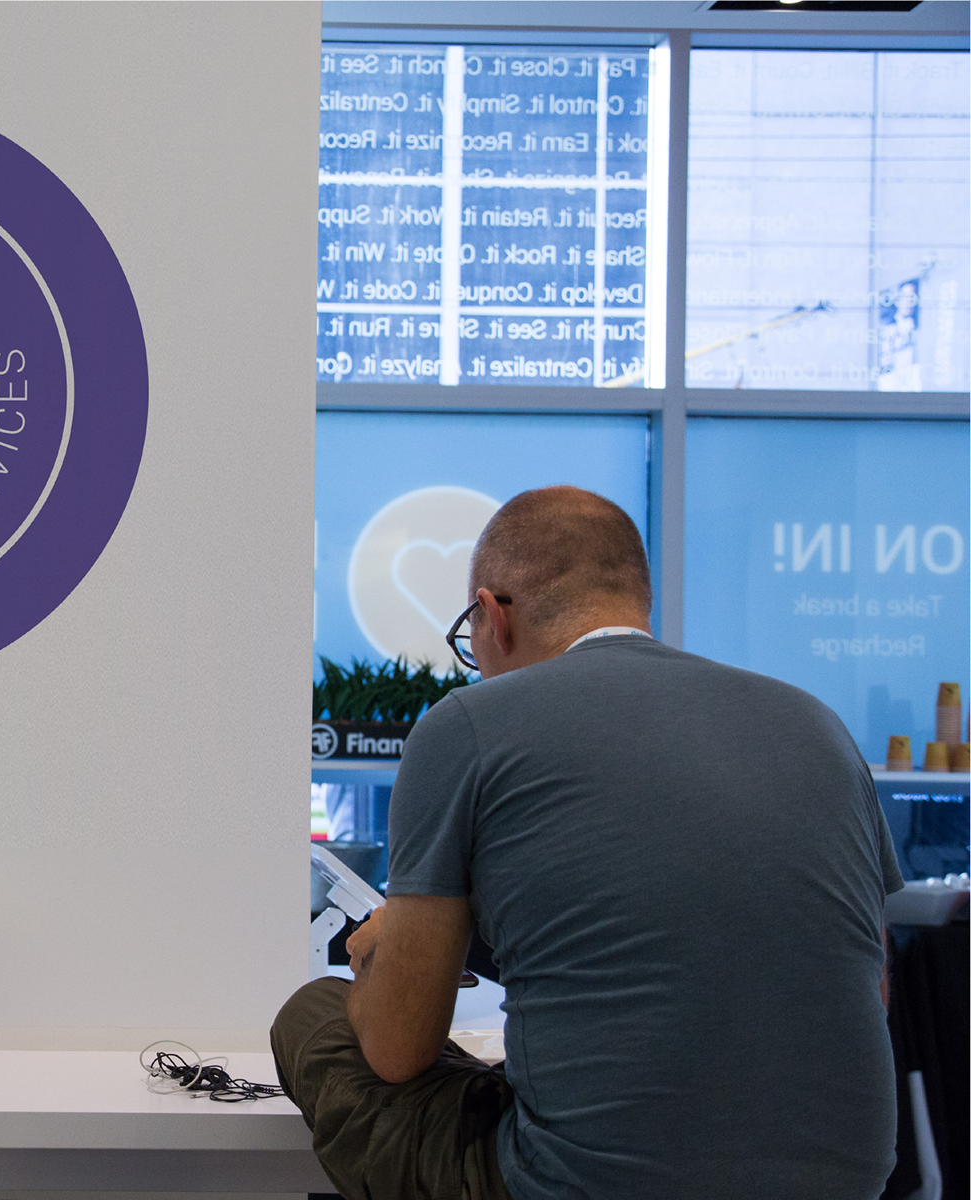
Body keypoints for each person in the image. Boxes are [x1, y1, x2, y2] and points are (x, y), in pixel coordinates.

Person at [271, 486, 901, 1200]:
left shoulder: (467, 726)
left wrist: (381, 961)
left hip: (587, 1184)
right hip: (846, 1179)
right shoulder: (816, 724)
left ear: (492, 615)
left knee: (314, 1015)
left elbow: (396, 1051)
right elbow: (869, 983)